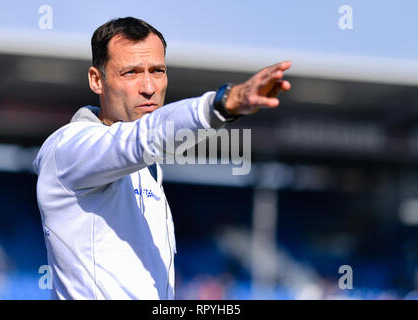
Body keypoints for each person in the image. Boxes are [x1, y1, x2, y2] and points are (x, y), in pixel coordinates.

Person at [33, 16, 291, 300]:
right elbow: (143, 137)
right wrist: (221, 104)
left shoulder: (146, 166)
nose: (149, 87)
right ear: (97, 80)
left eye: (157, 71)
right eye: (131, 72)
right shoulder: (69, 148)